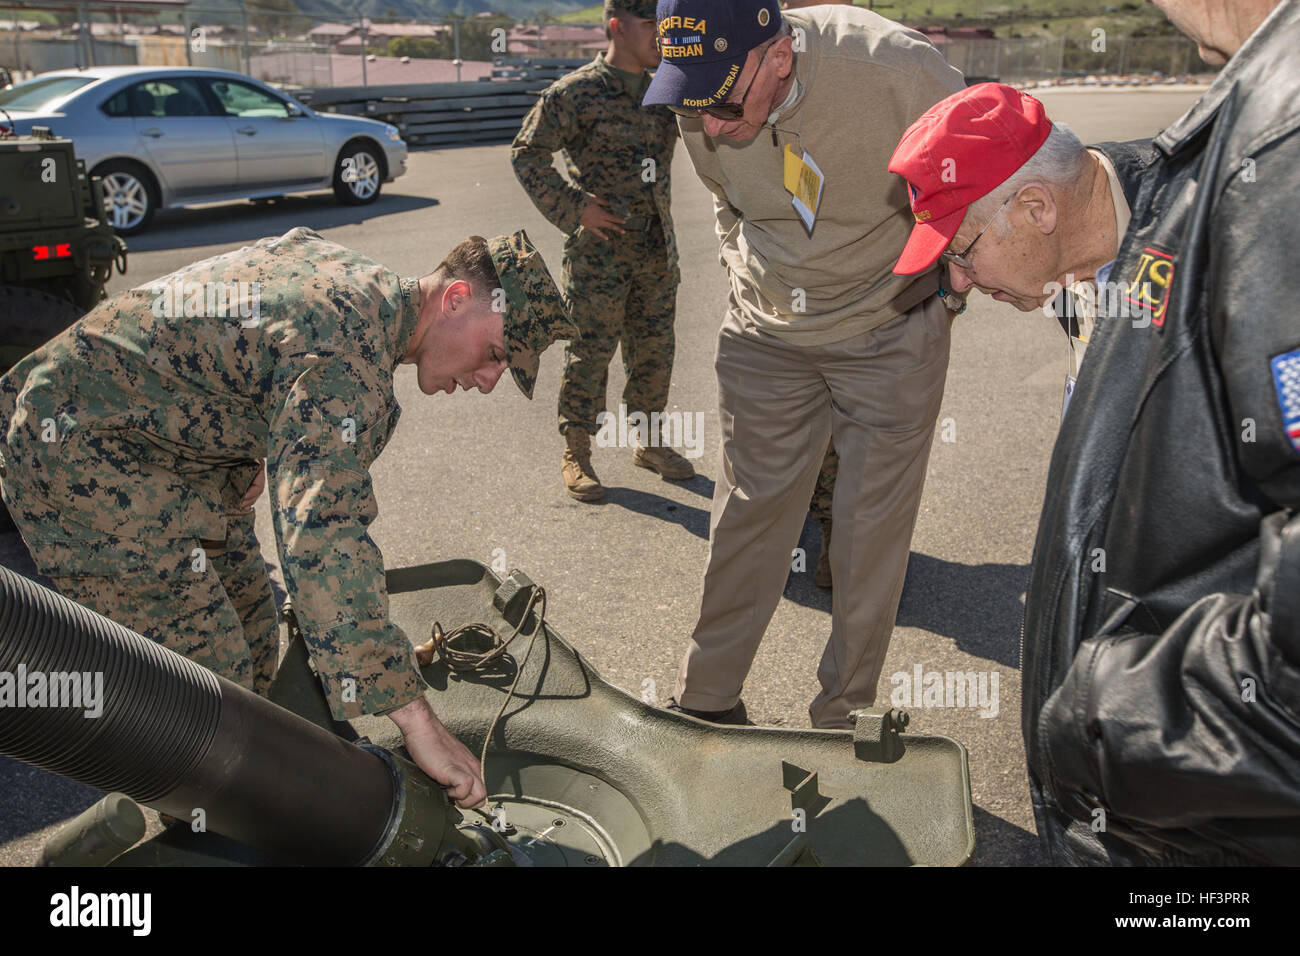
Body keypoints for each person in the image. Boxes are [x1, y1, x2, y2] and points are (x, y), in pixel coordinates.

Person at [0, 226, 573, 810]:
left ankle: (222, 803)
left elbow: (241, 336)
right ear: (454, 299)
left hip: (167, 453)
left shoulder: (352, 279)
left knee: (253, 632)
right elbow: (322, 542)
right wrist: (415, 720)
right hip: (80, 455)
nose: (487, 380)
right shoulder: (347, 360)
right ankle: (182, 829)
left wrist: (244, 438)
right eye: (498, 355)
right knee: (205, 697)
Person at [926, 0, 1298, 864]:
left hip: (1198, 803)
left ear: (1034, 209)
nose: (957, 279)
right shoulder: (1095, 245)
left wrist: (1114, 713)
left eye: (963, 247)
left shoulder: (1237, 200)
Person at [643, 0, 966, 728]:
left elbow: (984, 168)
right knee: (748, 516)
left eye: (723, 103)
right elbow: (729, 204)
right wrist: (742, 275)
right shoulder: (702, 93)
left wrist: (949, 282)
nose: (712, 127)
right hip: (768, 334)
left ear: (779, 56)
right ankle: (708, 701)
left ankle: (844, 716)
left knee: (866, 532)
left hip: (889, 327)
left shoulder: (897, 70)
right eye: (690, 104)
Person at [512, 0, 695, 503]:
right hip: (600, 253)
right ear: (617, 26)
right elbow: (526, 153)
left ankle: (650, 442)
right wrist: (575, 209)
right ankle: (577, 450)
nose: (660, 34)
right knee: (590, 352)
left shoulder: (669, 88)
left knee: (655, 350)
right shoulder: (576, 92)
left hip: (657, 249)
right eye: (649, 24)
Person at [889, 82, 1153, 415]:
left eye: (963, 254)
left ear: (1036, 208)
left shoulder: (1207, 230)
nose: (958, 283)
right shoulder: (1063, 258)